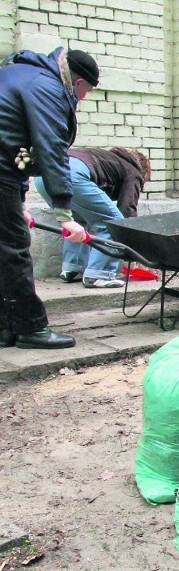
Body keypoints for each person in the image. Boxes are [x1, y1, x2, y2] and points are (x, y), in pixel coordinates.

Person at [0, 46, 99, 349]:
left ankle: (5, 329)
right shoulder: (47, 87)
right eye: (87, 93)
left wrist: (18, 203)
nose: (82, 100)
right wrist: (65, 215)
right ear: (79, 83)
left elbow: (14, 148)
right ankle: (31, 328)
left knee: (4, 251)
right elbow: (52, 149)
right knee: (15, 249)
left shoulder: (24, 74)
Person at [35, 147, 151, 288]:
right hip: (72, 177)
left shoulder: (107, 159)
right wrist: (135, 255)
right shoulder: (133, 170)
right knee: (113, 223)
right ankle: (98, 274)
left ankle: (72, 268)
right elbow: (127, 211)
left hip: (42, 178)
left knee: (77, 220)